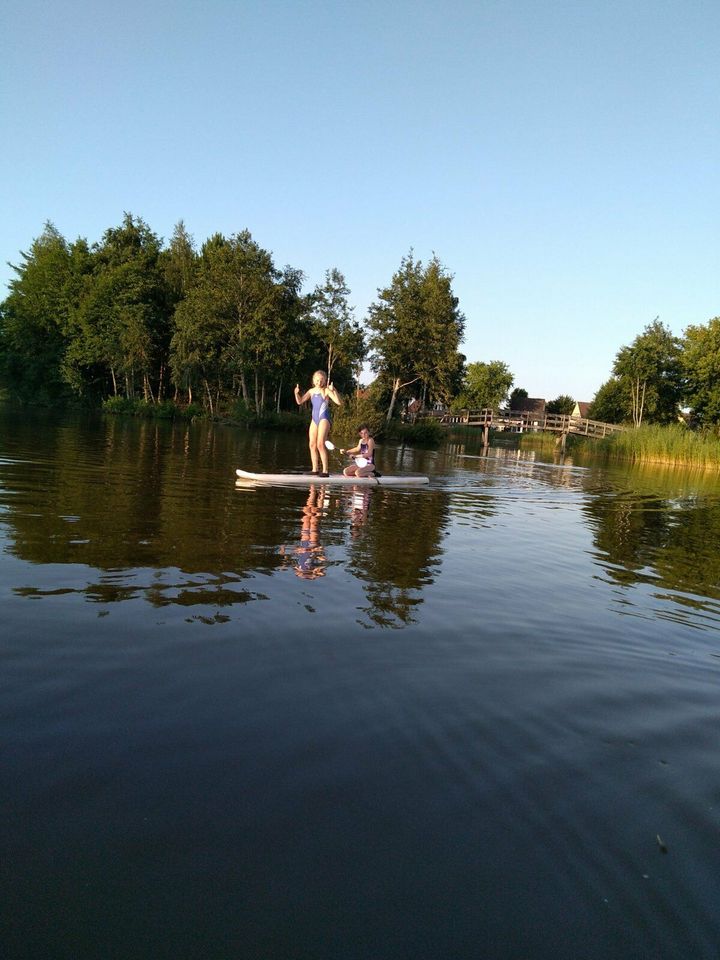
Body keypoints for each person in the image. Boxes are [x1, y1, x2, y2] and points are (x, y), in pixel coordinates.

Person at [294, 371, 341, 476]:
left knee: (320, 444)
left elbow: (338, 402)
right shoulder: (311, 391)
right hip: (314, 419)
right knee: (312, 444)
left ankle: (325, 471)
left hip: (324, 418)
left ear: (324, 381)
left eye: (321, 380)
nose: (319, 382)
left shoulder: (326, 390)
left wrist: (334, 390)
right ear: (313, 380)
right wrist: (296, 393)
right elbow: (300, 401)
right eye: (317, 380)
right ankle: (315, 469)